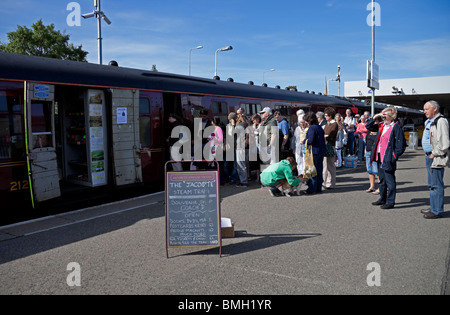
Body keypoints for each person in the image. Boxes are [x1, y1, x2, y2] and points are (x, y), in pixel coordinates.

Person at [366, 107, 406, 210]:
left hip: (388, 158)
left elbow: (401, 145)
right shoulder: (381, 126)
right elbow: (368, 126)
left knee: (390, 181)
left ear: (391, 116)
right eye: (382, 115)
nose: (383, 117)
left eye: (385, 115)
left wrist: (394, 156)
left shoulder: (396, 127)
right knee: (382, 180)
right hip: (379, 156)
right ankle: (382, 199)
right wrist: (375, 117)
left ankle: (390, 201)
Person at [421, 100, 449, 219]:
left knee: (436, 185)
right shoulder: (430, 121)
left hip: (435, 157)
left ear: (435, 109)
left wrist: (434, 154)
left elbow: (444, 143)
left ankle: (437, 211)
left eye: (427, 109)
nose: (424, 111)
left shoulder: (441, 121)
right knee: (432, 184)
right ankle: (433, 207)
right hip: (430, 156)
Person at [302, 111, 326, 195]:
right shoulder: (319, 127)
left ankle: (311, 188)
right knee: (319, 171)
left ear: (309, 120)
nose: (305, 122)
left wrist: (304, 140)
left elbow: (310, 140)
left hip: (313, 152)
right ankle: (318, 188)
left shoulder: (312, 128)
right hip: (321, 151)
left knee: (312, 171)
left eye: (306, 120)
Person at [365, 116, 382, 193]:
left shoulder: (379, 129)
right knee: (370, 170)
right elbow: (366, 140)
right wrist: (365, 150)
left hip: (375, 152)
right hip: (368, 152)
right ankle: (372, 186)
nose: (374, 122)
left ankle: (380, 187)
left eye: (376, 121)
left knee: (377, 171)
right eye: (373, 121)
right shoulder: (369, 130)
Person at [323, 107, 338, 189]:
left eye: (326, 115)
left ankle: (331, 183)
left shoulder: (334, 124)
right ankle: (324, 182)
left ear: (330, 115)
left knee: (331, 165)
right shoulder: (327, 124)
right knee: (325, 165)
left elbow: (330, 135)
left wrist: (325, 136)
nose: (325, 117)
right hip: (325, 146)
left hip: (331, 146)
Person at [235, 113, 249, 187]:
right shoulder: (247, 125)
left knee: (241, 165)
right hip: (247, 148)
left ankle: (243, 181)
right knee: (245, 164)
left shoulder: (239, 126)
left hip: (241, 147)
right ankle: (245, 179)